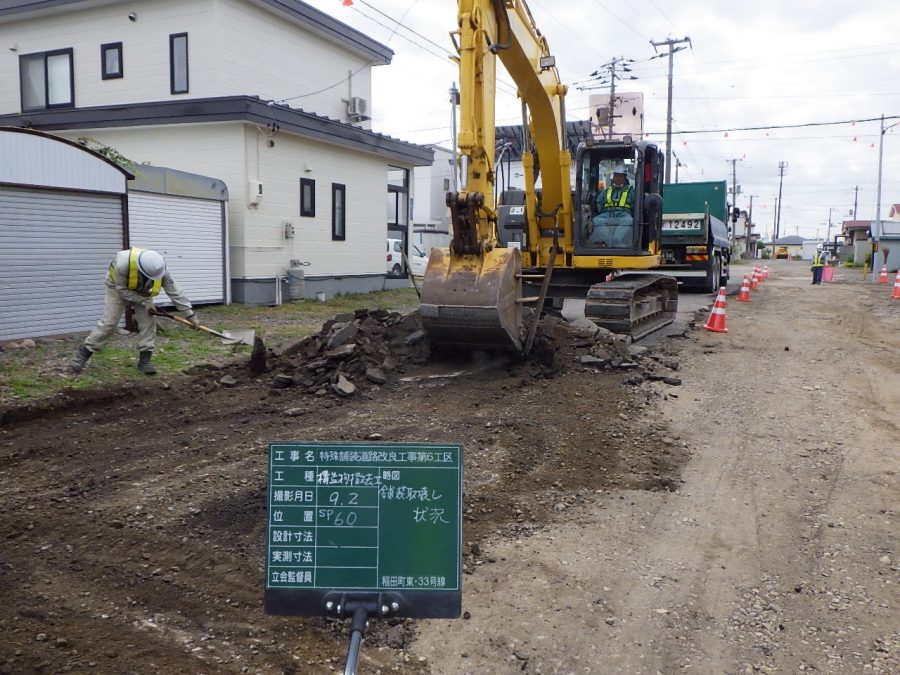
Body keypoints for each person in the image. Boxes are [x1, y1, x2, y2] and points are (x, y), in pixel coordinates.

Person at [67, 248, 199, 375]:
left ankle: (145, 361)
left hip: (143, 291)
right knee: (109, 323)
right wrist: (143, 302)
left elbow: (175, 291)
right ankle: (84, 354)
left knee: (148, 323)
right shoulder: (123, 265)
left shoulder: (160, 269)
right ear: (142, 271)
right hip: (117, 288)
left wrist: (190, 314)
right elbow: (122, 291)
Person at [587, 164, 634, 247]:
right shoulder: (605, 191)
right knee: (596, 220)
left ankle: (615, 239)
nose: (618, 178)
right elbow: (599, 204)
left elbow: (634, 205)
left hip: (623, 213)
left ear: (624, 177)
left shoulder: (631, 191)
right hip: (607, 214)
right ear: (613, 177)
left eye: (620, 176)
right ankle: (611, 240)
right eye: (616, 176)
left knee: (629, 220)